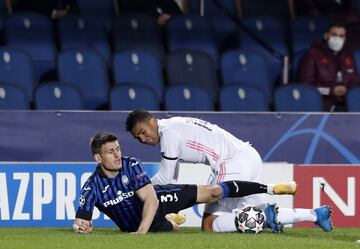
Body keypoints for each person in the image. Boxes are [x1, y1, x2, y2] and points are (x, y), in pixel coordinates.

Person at [125, 110, 333, 233]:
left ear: (152, 120)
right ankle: (315, 214)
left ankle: (267, 217)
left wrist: (134, 189)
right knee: (254, 208)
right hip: (248, 156)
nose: (143, 139)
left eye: (143, 132)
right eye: (137, 138)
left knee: (209, 223)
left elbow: (165, 179)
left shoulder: (168, 134)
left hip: (231, 162)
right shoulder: (174, 126)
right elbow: (171, 180)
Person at [73, 131, 297, 234]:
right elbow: (80, 221)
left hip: (158, 202)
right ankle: (171, 219)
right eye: (111, 152)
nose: (117, 155)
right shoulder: (91, 187)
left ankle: (271, 188)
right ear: (98, 158)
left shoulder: (131, 165)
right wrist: (81, 227)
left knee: (214, 192)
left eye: (118, 149)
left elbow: (150, 199)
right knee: (173, 227)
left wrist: (140, 232)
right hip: (146, 225)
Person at [297, 22, 360, 111]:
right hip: (324, 105)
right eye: (334, 35)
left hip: (347, 103)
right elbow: (306, 86)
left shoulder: (348, 55)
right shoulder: (312, 55)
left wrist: (348, 90)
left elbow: (356, 81)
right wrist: (331, 91)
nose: (338, 39)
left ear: (345, 38)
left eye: (341, 36)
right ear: (326, 36)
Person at [117, 0, 182, 25]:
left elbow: (180, 18)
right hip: (146, 36)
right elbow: (129, 18)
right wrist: (156, 20)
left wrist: (171, 20)